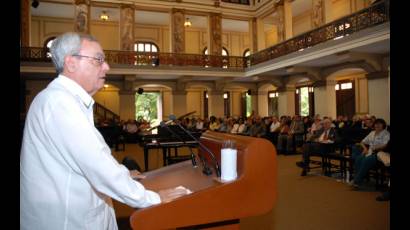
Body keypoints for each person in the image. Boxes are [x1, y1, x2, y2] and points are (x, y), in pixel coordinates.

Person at [20, 32, 161, 230]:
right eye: (98, 60)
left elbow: (87, 159)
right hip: (66, 222)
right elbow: (97, 166)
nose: (107, 66)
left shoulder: (64, 100)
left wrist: (123, 174)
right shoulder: (59, 103)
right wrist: (155, 199)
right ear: (71, 63)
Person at [350, 119, 390, 190]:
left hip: (379, 154)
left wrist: (377, 148)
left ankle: (356, 181)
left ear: (383, 125)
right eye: (376, 124)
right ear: (374, 125)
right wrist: (365, 149)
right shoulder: (372, 133)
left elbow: (386, 145)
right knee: (359, 159)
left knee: (366, 160)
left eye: (380, 124)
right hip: (370, 152)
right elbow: (362, 142)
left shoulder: (386, 133)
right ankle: (358, 180)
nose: (377, 125)